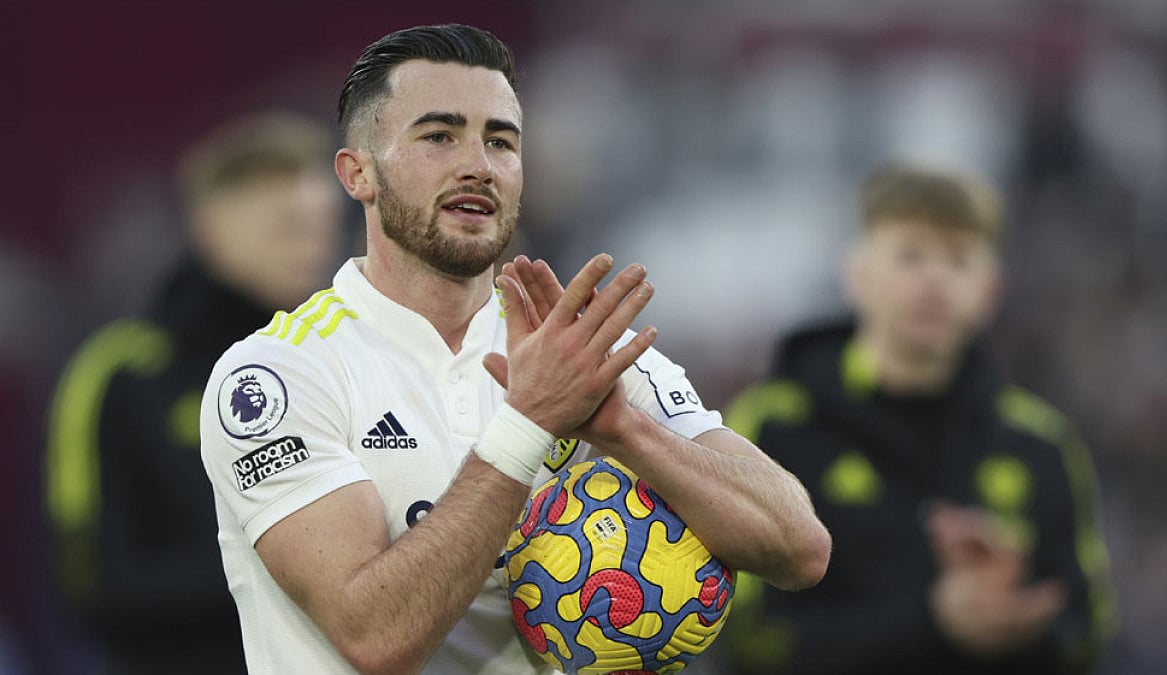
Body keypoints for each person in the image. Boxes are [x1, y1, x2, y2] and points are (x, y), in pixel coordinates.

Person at [197, 23, 832, 675]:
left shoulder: (577, 349)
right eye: (439, 135)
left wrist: (627, 430)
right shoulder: (277, 374)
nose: (478, 163)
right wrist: (528, 421)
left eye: (500, 140)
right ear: (358, 173)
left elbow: (799, 549)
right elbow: (375, 637)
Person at [718, 162, 1119, 674]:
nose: (934, 279)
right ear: (857, 276)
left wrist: (1014, 622)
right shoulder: (775, 425)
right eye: (910, 255)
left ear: (990, 291)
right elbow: (745, 639)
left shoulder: (1042, 444)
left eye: (957, 259)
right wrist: (933, 622)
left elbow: (1089, 638)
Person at [45, 111, 344, 674]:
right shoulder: (123, 374)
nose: (311, 247)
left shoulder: (344, 361)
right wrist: (287, 567)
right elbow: (94, 582)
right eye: (286, 226)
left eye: (321, 226)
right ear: (213, 228)